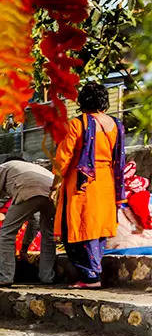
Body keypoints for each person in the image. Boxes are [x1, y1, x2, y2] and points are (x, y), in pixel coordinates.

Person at [51, 82, 126, 288]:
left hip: (81, 184)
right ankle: (94, 271)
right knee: (98, 227)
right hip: (107, 182)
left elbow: (63, 158)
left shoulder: (77, 123)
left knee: (75, 228)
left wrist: (55, 184)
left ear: (82, 101)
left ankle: (91, 277)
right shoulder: (116, 125)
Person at [0, 159, 56, 286]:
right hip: (53, 193)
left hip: (28, 190)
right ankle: (47, 277)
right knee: (48, 236)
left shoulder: (4, 166)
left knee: (7, 234)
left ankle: (5, 277)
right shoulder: (32, 168)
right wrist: (26, 245)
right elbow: (34, 221)